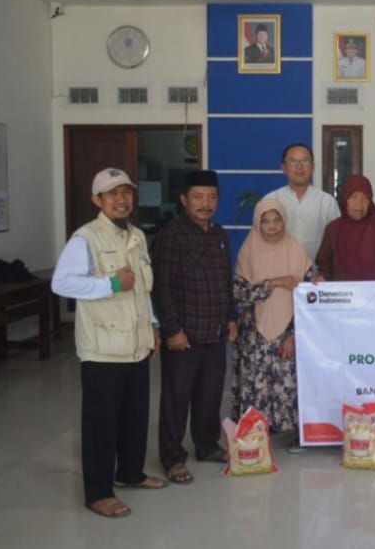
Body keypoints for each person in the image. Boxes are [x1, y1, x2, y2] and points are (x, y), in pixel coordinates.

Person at [52, 168, 166, 519]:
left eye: (126, 192)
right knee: (101, 424)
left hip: (135, 342)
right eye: (112, 193)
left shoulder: (137, 236)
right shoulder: (85, 238)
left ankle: (130, 474)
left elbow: (142, 288)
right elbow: (61, 283)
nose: (121, 199)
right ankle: (98, 493)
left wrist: (153, 324)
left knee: (135, 416)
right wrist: (110, 284)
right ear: (97, 200)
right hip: (102, 348)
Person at [151, 170, 237, 484]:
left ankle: (206, 444)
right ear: (184, 199)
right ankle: (173, 457)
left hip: (214, 331)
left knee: (210, 394)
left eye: (211, 197)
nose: (205, 203)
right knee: (177, 397)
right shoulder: (171, 235)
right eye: (198, 197)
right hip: (184, 335)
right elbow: (162, 287)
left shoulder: (219, 235)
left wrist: (231, 317)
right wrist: (172, 329)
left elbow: (225, 281)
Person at [232, 197, 315, 453]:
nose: (271, 226)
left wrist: (294, 334)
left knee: (289, 383)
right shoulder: (248, 251)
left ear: (284, 221)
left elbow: (309, 296)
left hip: (288, 330)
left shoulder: (296, 250)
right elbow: (240, 293)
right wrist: (273, 283)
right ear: (257, 223)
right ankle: (254, 434)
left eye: (276, 220)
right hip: (253, 333)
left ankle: (295, 434)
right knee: (254, 383)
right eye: (265, 221)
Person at [315, 175, 375, 281]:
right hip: (342, 291)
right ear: (345, 199)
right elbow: (324, 267)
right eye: (353, 197)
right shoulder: (333, 229)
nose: (359, 203)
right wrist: (321, 277)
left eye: (365, 198)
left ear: (370, 202)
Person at [265, 143, 339, 260]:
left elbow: (336, 242)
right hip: (277, 269)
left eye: (305, 161)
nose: (299, 166)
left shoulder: (327, 202)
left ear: (312, 167)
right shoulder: (270, 200)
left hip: (315, 270)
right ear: (283, 168)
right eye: (293, 161)